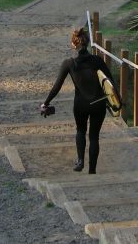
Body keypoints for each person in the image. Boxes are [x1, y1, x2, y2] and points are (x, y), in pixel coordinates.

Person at [41, 28, 115, 174]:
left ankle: (80, 161)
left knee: (81, 130)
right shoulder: (98, 60)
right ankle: (92, 170)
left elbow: (57, 86)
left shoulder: (69, 63)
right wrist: (115, 102)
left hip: (80, 104)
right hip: (98, 103)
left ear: (74, 45)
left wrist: (46, 102)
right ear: (87, 43)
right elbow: (111, 82)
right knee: (94, 137)